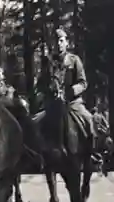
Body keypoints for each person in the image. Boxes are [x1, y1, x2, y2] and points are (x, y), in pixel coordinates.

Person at [37, 26, 103, 168]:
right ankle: (37, 156)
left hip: (73, 103)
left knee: (89, 120)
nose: (58, 44)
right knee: (35, 123)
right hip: (53, 104)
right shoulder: (47, 63)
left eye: (61, 41)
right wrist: (47, 90)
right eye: (55, 42)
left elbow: (83, 83)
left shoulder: (74, 60)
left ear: (66, 43)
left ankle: (92, 153)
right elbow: (40, 84)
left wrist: (70, 92)